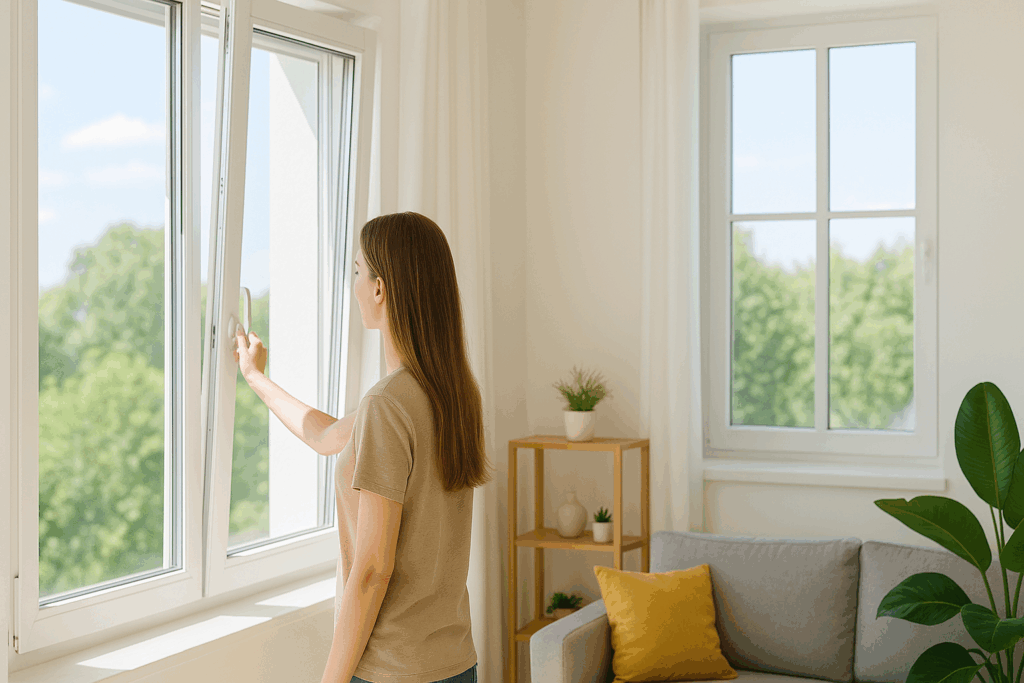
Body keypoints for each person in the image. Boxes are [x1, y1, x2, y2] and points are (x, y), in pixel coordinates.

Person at [234, 211, 493, 683]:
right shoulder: (451, 393)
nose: (353, 285)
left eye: (357, 271)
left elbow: (372, 570)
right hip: (456, 663)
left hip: (393, 672)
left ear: (380, 288)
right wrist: (255, 378)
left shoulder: (388, 404)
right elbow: (327, 436)